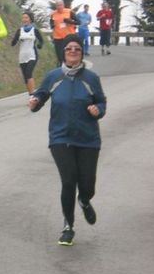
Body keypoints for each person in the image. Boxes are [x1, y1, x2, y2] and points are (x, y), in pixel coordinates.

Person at [29, 34, 106, 246]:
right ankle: (68, 226)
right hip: (60, 137)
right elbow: (41, 94)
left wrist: (97, 109)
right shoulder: (54, 76)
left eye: (77, 49)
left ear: (81, 54)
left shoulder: (91, 78)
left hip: (88, 138)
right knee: (69, 180)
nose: (73, 51)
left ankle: (84, 200)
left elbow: (101, 102)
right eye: (69, 49)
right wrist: (35, 101)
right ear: (63, 53)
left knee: (87, 184)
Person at [11, 12, 44, 96]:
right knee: (25, 77)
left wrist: (39, 45)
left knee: (29, 73)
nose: (24, 20)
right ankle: (30, 94)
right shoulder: (20, 30)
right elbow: (13, 43)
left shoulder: (34, 30)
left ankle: (33, 94)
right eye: (23, 18)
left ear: (30, 19)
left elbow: (41, 40)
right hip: (22, 55)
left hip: (32, 55)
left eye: (26, 18)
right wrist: (15, 39)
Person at [50, 0, 79, 66]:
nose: (59, 7)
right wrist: (52, 25)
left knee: (68, 54)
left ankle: (70, 67)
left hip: (68, 37)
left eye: (60, 5)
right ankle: (61, 69)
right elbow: (51, 22)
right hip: (57, 37)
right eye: (57, 5)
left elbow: (78, 22)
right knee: (59, 55)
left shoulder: (69, 12)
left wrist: (70, 21)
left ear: (63, 5)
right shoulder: (53, 14)